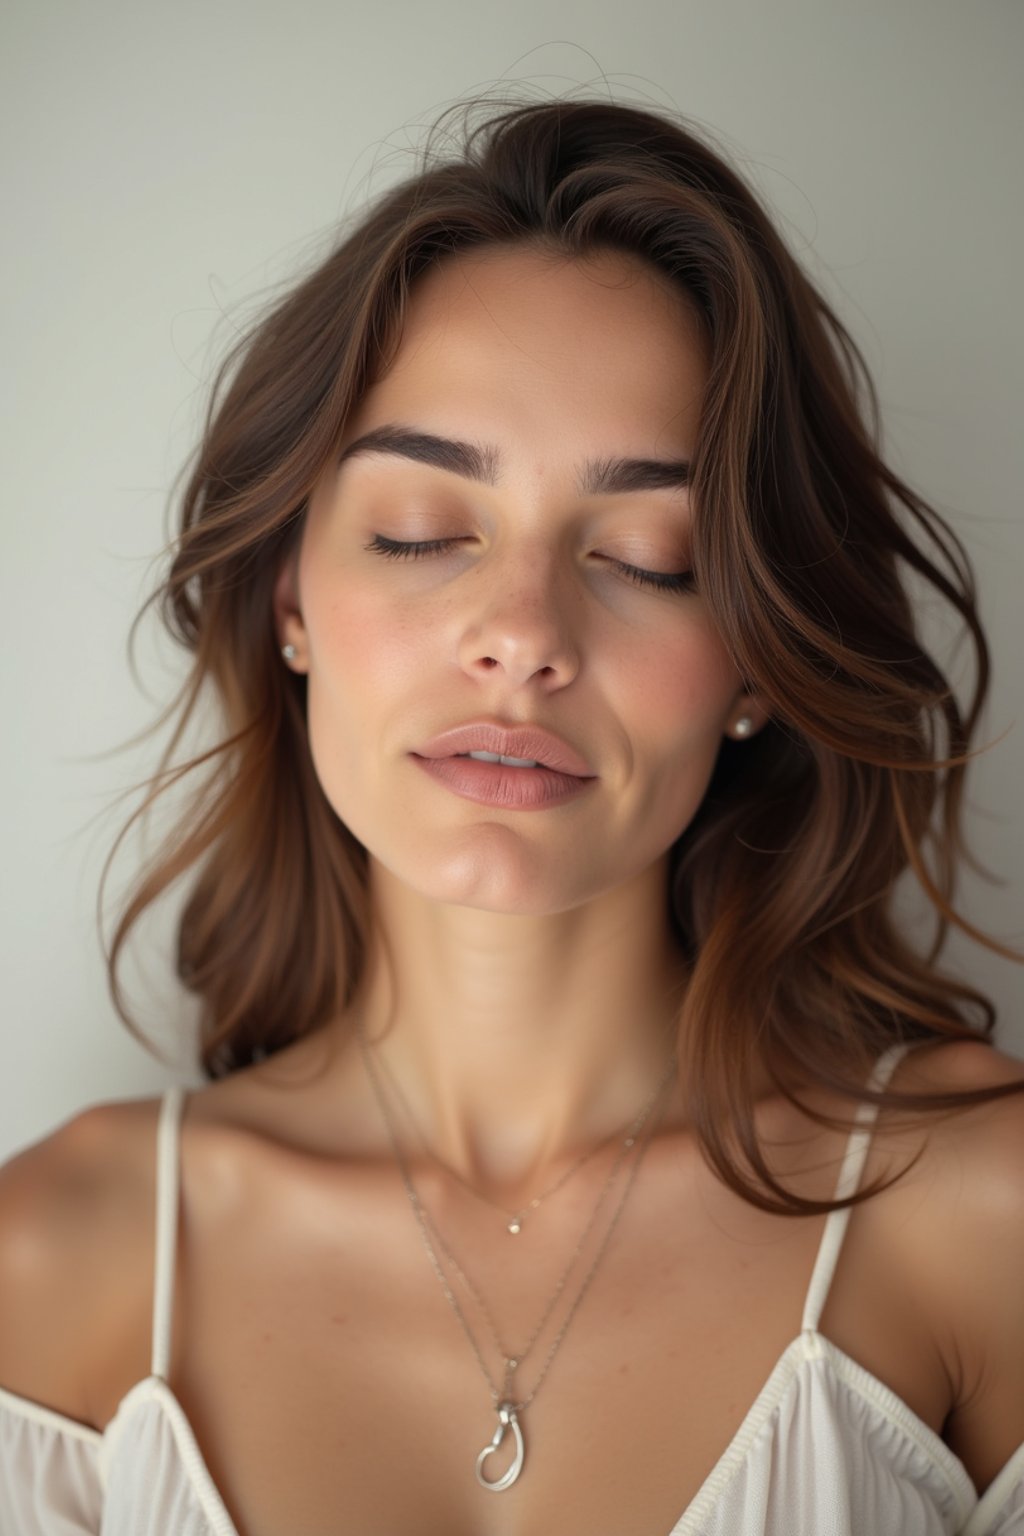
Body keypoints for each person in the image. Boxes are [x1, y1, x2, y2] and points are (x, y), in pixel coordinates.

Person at [1, 93, 1023, 1536]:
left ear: (754, 665)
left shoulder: (978, 1211)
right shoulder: (53, 1260)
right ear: (293, 598)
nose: (523, 635)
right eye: (426, 533)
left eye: (650, 558)